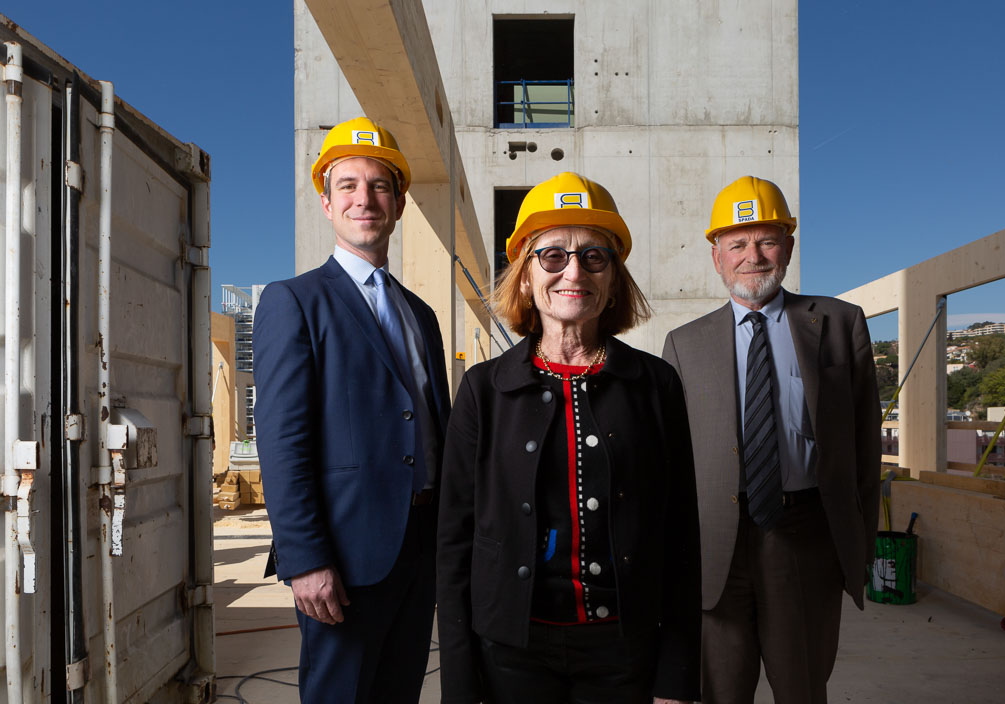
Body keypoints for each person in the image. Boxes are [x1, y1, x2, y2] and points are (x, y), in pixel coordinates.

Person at [437, 172, 701, 704]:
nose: (573, 271)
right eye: (552, 256)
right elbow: (455, 547)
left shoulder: (655, 384)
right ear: (527, 277)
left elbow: (681, 538)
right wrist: (460, 686)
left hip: (624, 651)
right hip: (511, 651)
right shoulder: (482, 390)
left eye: (594, 257)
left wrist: (677, 676)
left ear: (613, 280)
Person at [252, 117, 451, 703]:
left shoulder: (421, 315)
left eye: (379, 186)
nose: (364, 198)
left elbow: (429, 425)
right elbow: (282, 442)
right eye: (348, 185)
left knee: (400, 692)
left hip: (419, 548)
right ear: (325, 201)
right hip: (343, 558)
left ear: (399, 204)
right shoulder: (294, 302)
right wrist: (305, 559)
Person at [662, 175, 881, 704]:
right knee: (719, 691)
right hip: (714, 546)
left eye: (766, 240)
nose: (752, 256)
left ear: (787, 245)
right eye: (737, 243)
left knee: (802, 687)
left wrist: (859, 541)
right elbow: (666, 465)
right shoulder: (684, 344)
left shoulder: (839, 323)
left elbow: (864, 446)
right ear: (717, 256)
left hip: (805, 537)